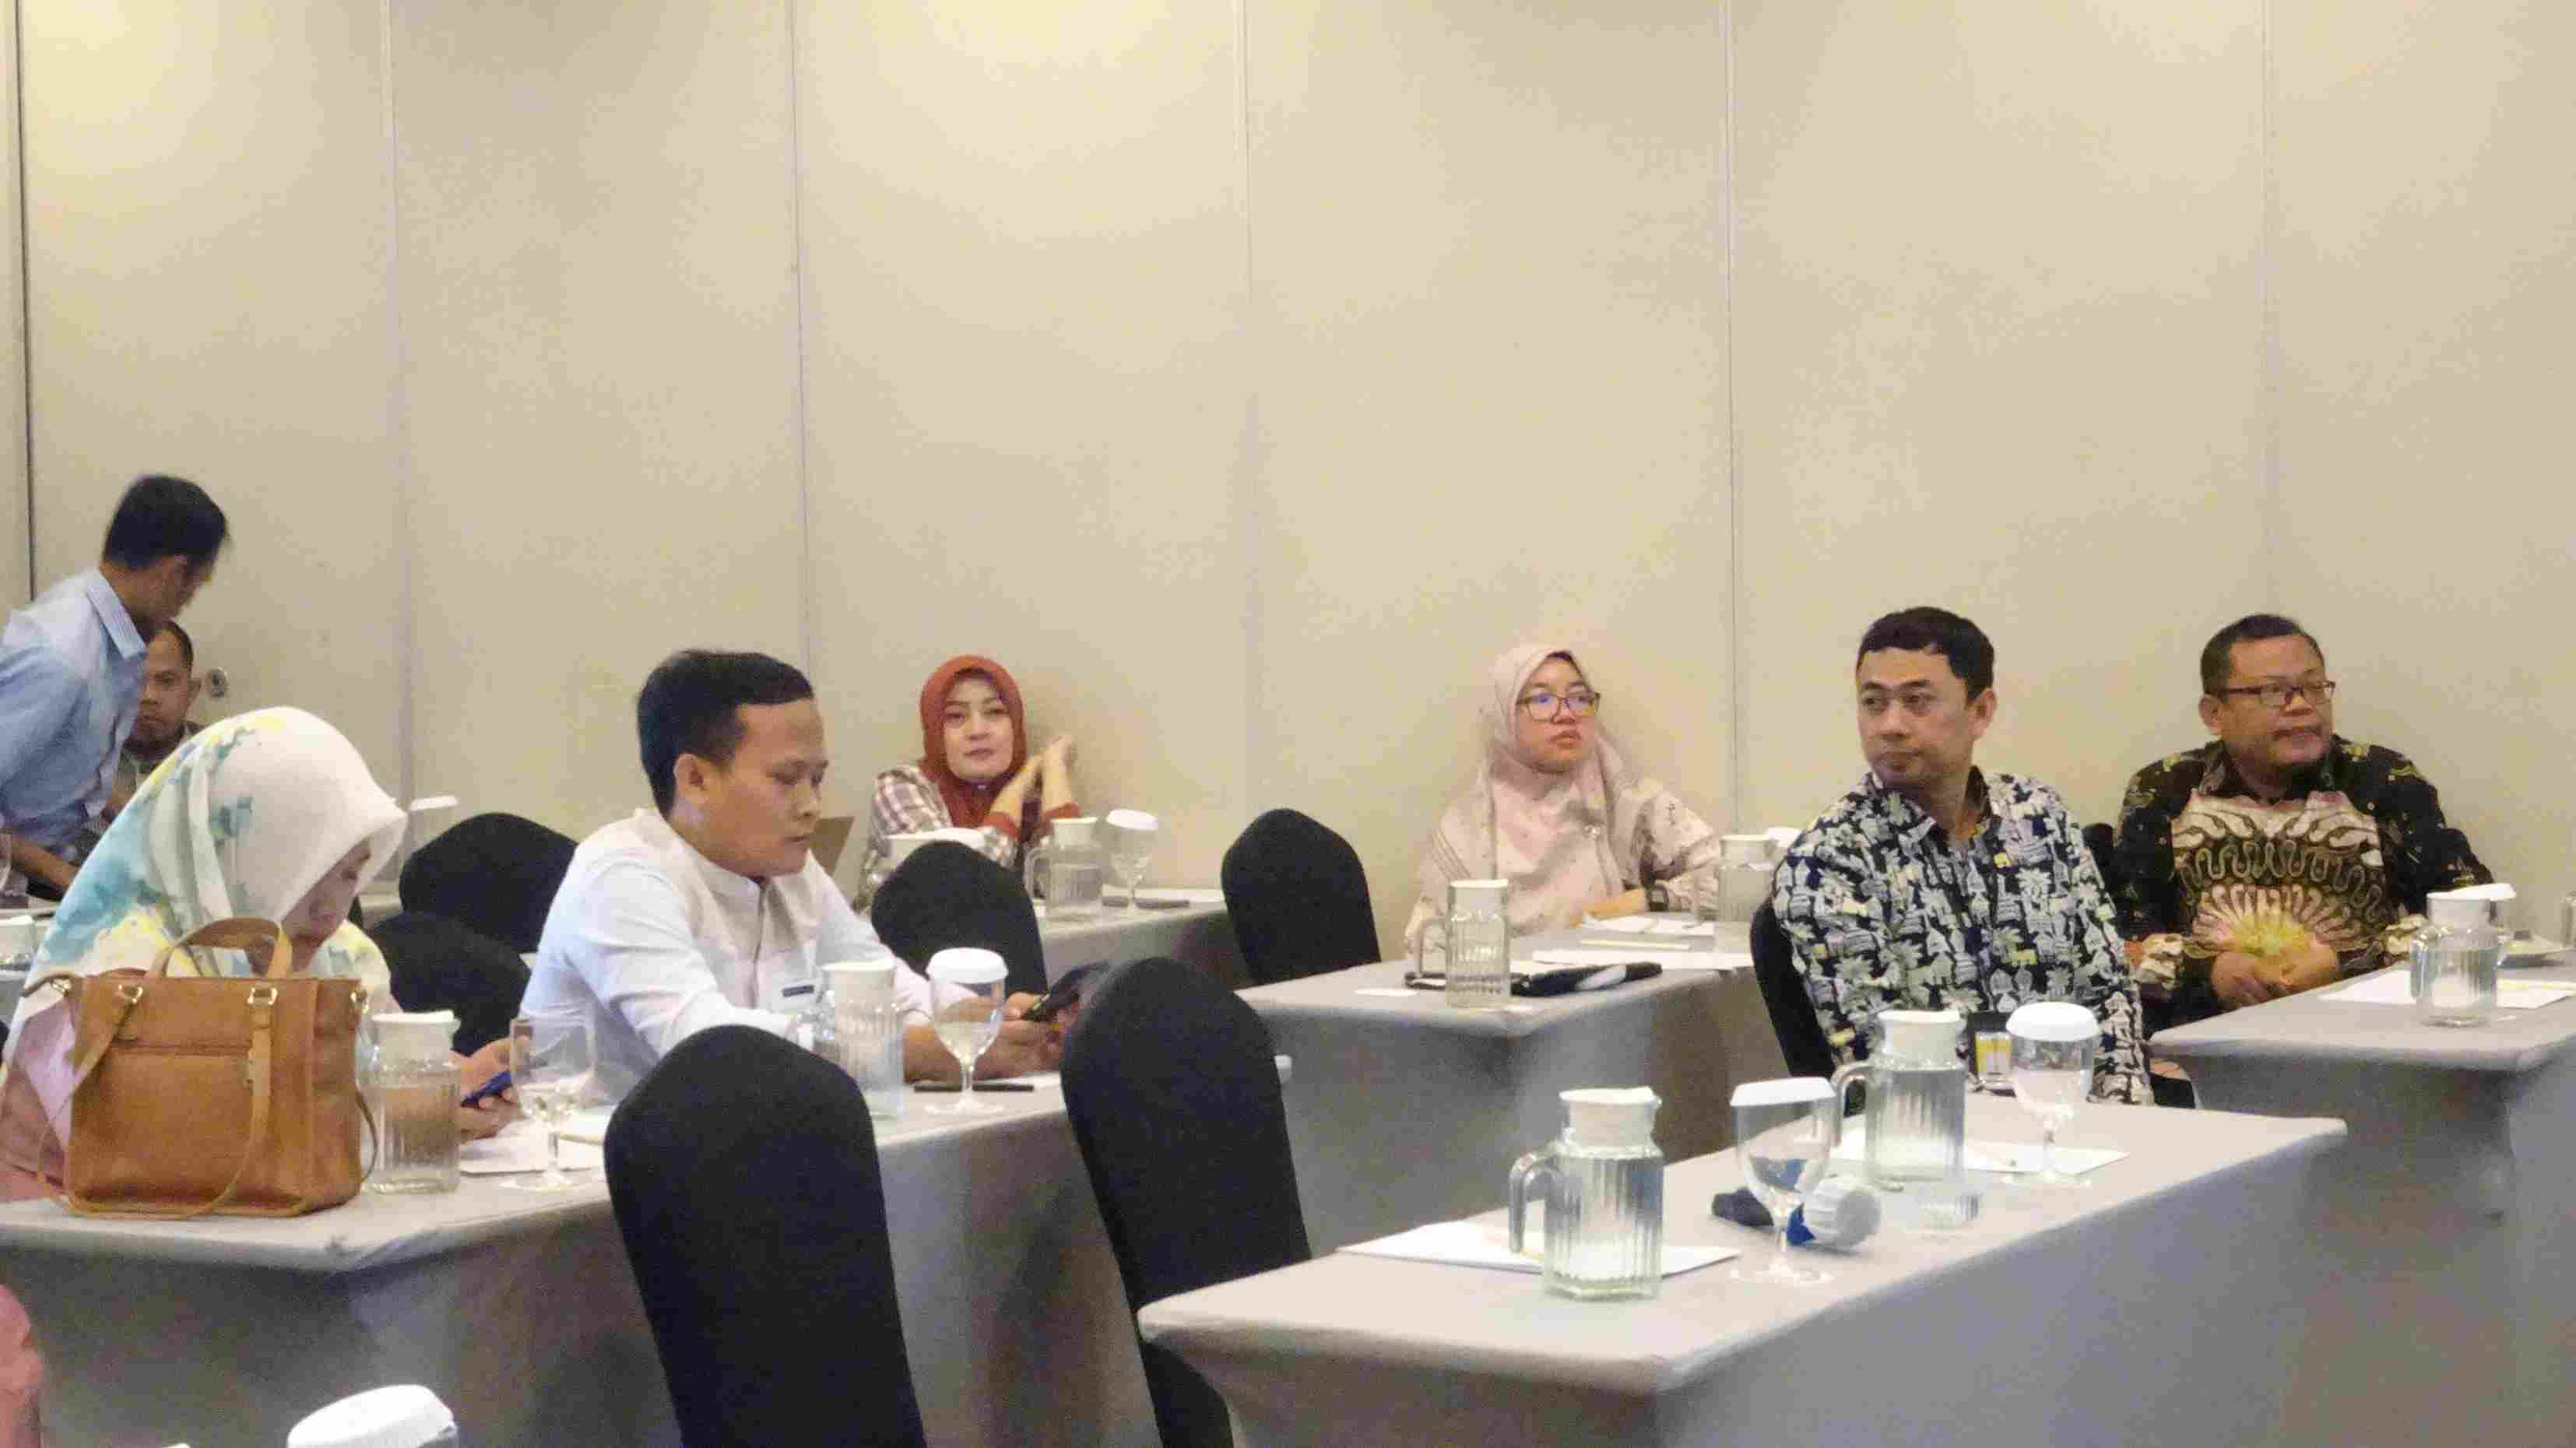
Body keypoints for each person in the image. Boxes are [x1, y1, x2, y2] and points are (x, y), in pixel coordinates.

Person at [0, 708, 512, 1200]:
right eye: (307, 872)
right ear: (235, 848)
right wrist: (400, 1116)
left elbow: (382, 1067)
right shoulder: (112, 971)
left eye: (350, 874)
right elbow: (179, 1157)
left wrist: (461, 1086)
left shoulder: (339, 955)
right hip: (78, 1243)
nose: (331, 910)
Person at [524, 649, 1061, 1102]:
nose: (811, 806)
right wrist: (908, 1052)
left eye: (817, 779)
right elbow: (708, 1043)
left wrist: (978, 1022)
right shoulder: (619, 873)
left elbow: (885, 986)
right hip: (589, 1174)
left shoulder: (788, 868)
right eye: (786, 780)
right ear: (694, 779)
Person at [1773, 607, 2149, 1103]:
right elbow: (1884, 1059)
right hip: (1936, 1132)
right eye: (1873, 703)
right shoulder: (1830, 861)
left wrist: (2125, 1117)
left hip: (2077, 1121)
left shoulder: (2040, 818)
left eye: (1917, 702)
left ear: (1981, 711)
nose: (1891, 726)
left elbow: (2108, 993)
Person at [2114, 613, 2490, 1037]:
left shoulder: (2381, 781)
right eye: (2273, 692)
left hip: (2364, 1037)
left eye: (2314, 687)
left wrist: (2347, 963)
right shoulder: (2166, 791)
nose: (2301, 705)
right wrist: (2208, 970)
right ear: (2215, 714)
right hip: (2204, 1041)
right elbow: (2118, 942)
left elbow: (2473, 915)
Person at [0, 475, 226, 899]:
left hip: (47, 866)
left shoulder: (113, 634)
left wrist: (147, 828)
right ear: (177, 573)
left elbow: (73, 770)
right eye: (191, 591)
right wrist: (66, 878)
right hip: (19, 882)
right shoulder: (63, 656)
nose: (182, 607)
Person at [1408, 643, 1724, 944]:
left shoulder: (1626, 802)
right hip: (1513, 981)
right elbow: (1427, 946)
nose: (1566, 714)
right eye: (1542, 700)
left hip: (1618, 977)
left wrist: (1648, 899)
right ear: (1503, 716)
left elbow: (1732, 877)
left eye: (1579, 698)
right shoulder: (1470, 829)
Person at [866, 654, 1079, 877]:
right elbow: (961, 877)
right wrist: (1017, 787)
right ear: (935, 731)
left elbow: (1069, 881)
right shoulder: (901, 787)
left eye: (994, 712)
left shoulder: (1033, 798)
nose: (978, 731)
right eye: (956, 716)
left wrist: (1054, 766)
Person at [109, 620, 205, 814]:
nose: (149, 696)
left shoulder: (220, 759)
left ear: (192, 691)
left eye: (166, 681)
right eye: (135, 680)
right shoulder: (83, 768)